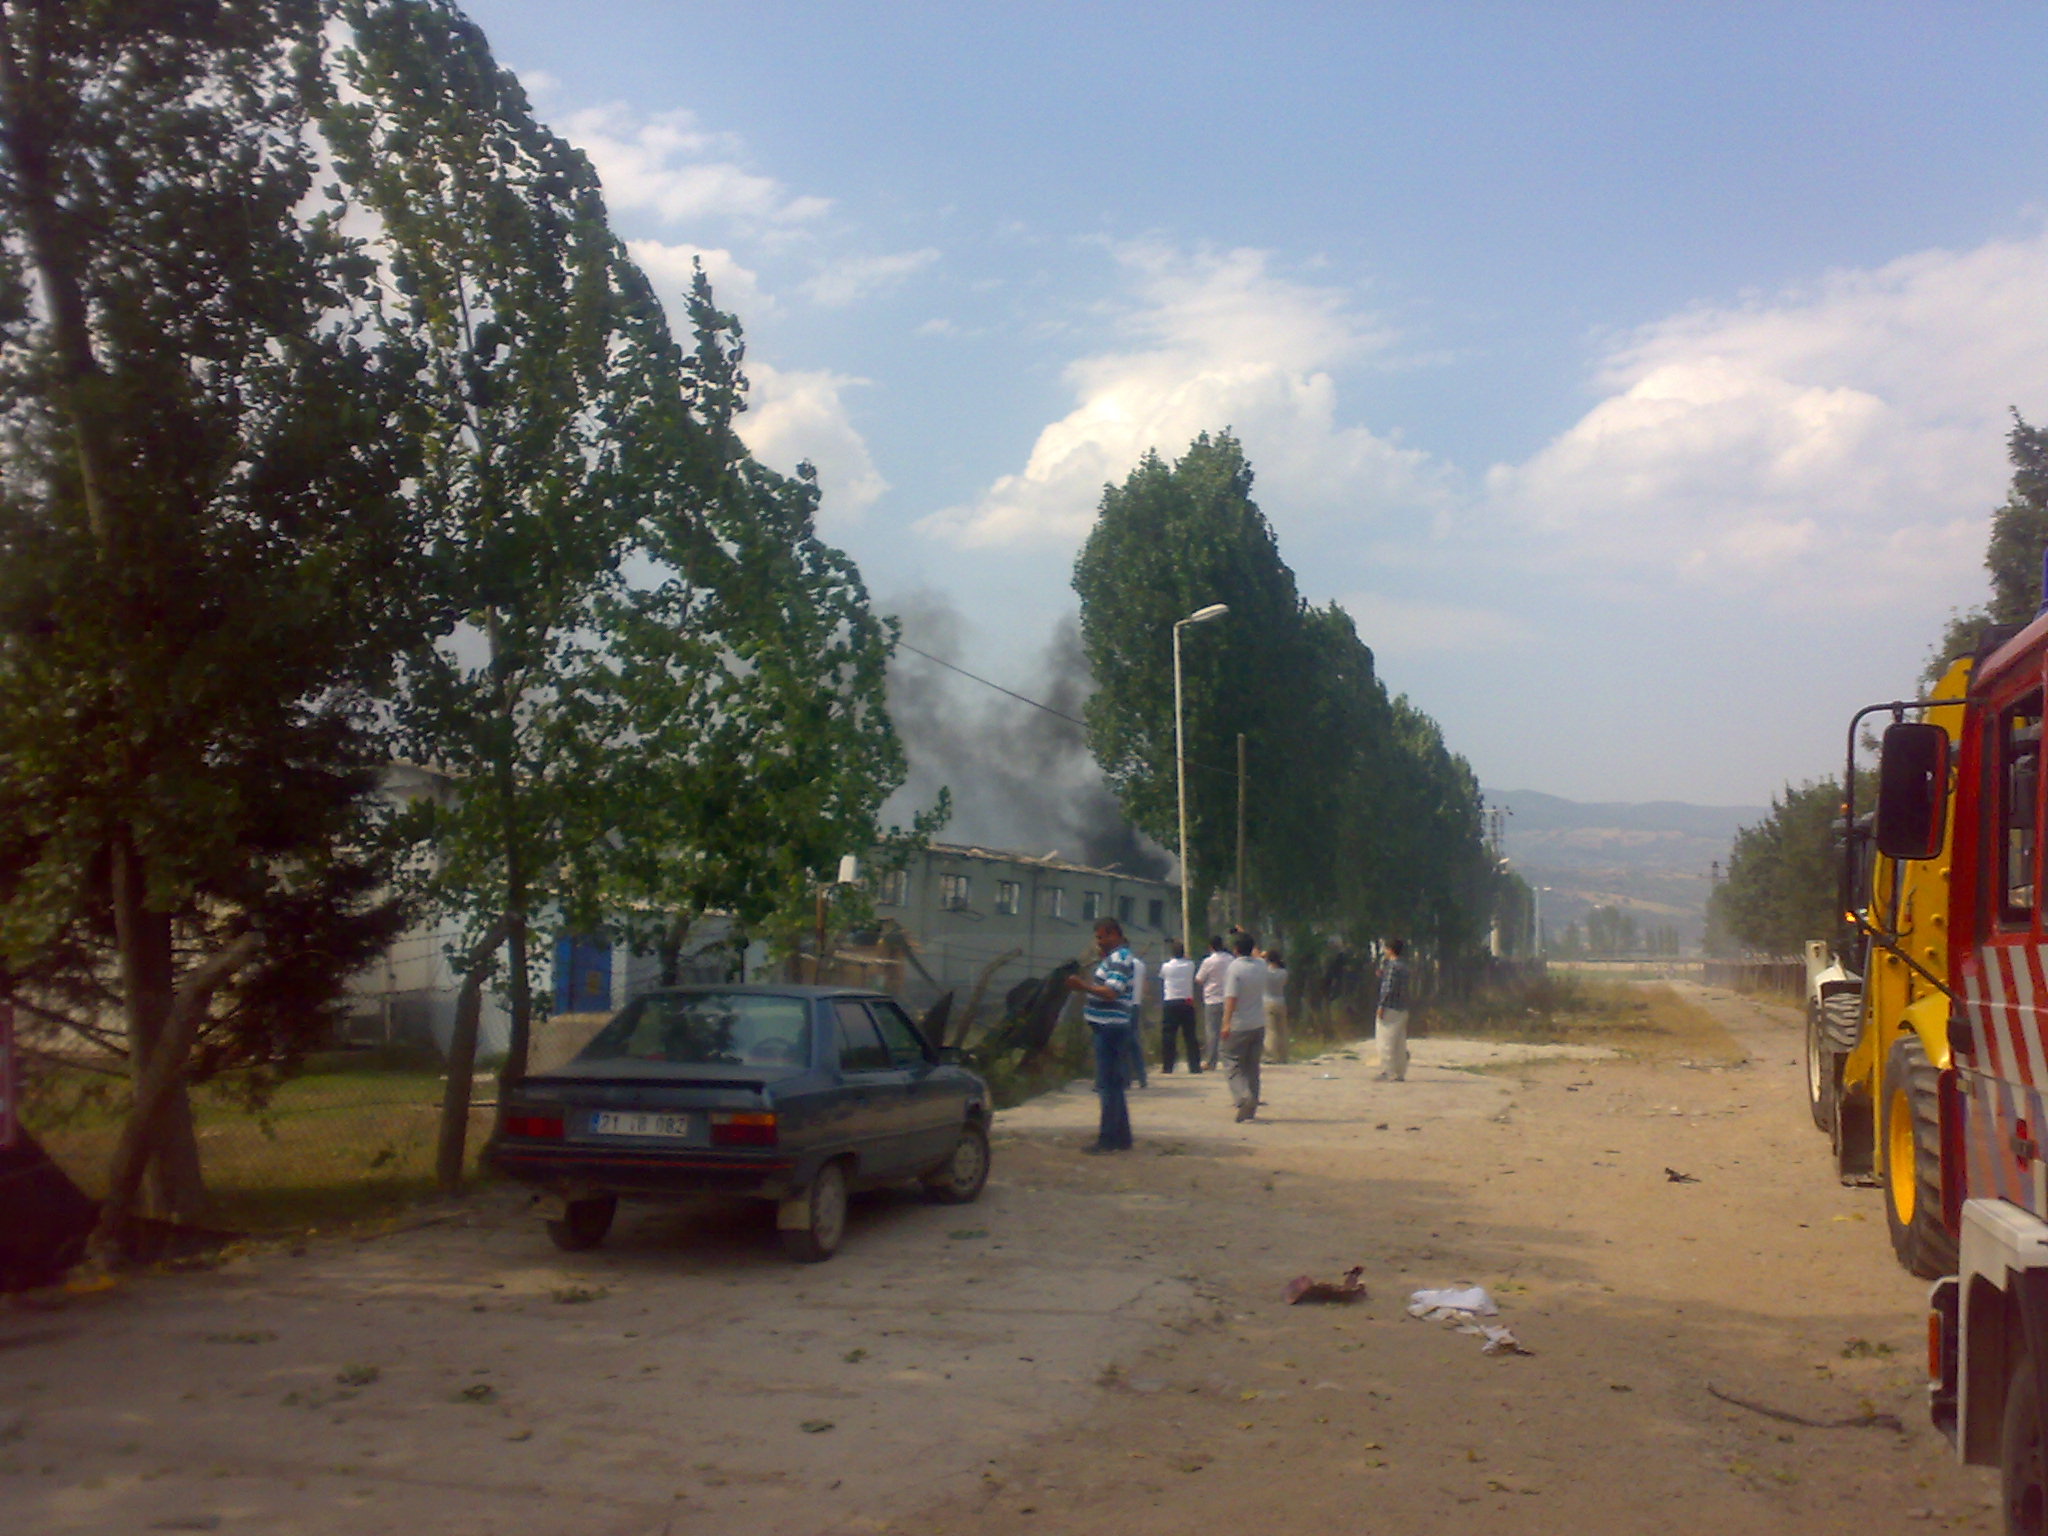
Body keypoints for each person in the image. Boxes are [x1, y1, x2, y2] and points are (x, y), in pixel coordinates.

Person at [1066, 919, 1137, 1152]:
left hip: (1110, 1028)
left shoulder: (1119, 958)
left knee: (1107, 1086)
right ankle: (1122, 1137)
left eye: (1101, 937)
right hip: (1109, 1027)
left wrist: (1083, 986)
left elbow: (1111, 991)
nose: (1098, 942)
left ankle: (1107, 1139)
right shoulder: (1115, 958)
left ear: (1113, 934)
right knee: (1114, 1085)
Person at [1219, 931, 1267, 1123]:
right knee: (1252, 1067)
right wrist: (1243, 932)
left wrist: (1226, 1023)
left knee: (1231, 1062)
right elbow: (1257, 953)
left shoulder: (1234, 968)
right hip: (1258, 1023)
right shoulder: (1261, 965)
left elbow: (1231, 998)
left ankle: (1243, 1097)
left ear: (1236, 949)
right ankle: (1252, 1104)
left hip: (1239, 1024)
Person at [1157, 939, 1201, 1072]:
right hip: (1187, 1001)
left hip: (1170, 1000)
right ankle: (1194, 1066)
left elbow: (1161, 977)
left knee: (1169, 1035)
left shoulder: (1166, 966)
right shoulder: (1190, 965)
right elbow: (1190, 962)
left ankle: (1168, 1066)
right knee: (1190, 1035)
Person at [1375, 937, 1411, 1082]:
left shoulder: (1391, 966)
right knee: (1399, 1042)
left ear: (1390, 950)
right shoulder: (1404, 967)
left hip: (1390, 1007)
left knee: (1385, 1041)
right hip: (1403, 1007)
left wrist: (1381, 1005)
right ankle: (1400, 1072)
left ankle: (1388, 1071)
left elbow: (1388, 988)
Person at [1195, 935, 1231, 1070]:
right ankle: (1228, 1059)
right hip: (1228, 998)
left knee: (1212, 1032)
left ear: (1210, 947)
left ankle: (1211, 1061)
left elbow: (1199, 979)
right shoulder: (1230, 959)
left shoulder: (1208, 961)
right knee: (1228, 1031)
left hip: (1212, 999)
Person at [1125, 947, 1150, 1088]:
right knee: (1134, 1041)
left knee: (1123, 1043)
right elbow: (1145, 987)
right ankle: (1141, 1076)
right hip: (1136, 1004)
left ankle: (1127, 1077)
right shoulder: (1140, 964)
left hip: (1123, 1005)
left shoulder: (1121, 964)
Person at [1262, 948, 1289, 1066]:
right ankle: (1283, 1056)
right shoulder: (1283, 972)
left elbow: (1257, 961)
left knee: (1271, 1031)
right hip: (1280, 1001)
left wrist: (1262, 956)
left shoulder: (1265, 972)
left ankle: (1271, 1055)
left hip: (1268, 1002)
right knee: (1282, 1030)